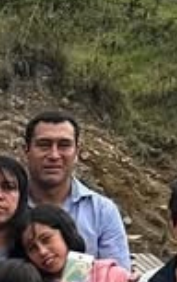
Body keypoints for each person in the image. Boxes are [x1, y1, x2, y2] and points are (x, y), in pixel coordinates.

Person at [22, 111, 130, 267]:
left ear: (76, 152)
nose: (54, 155)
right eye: (44, 145)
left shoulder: (102, 212)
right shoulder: (8, 208)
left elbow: (117, 279)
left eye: (64, 145)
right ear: (26, 150)